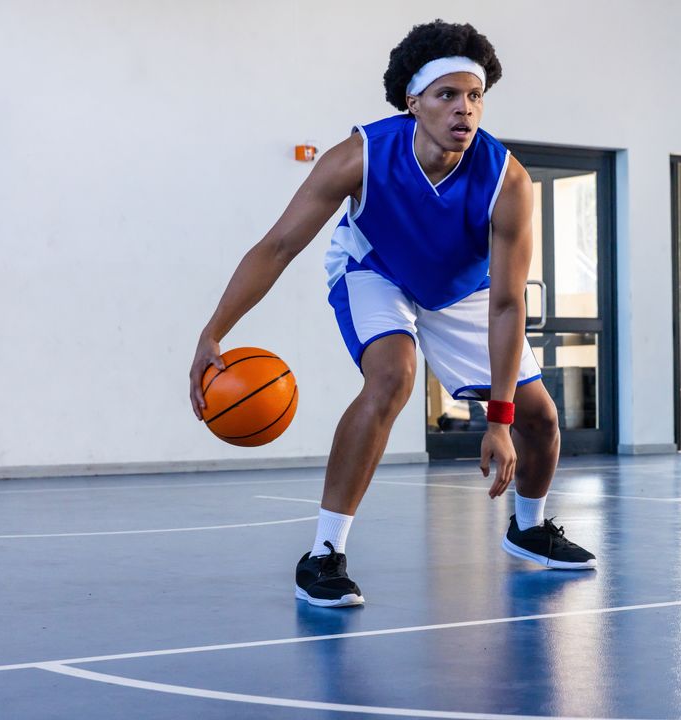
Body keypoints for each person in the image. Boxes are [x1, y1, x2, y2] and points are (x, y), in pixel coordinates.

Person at [188, 20, 596, 608]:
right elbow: (277, 246)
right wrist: (213, 332)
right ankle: (324, 553)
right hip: (375, 270)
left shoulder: (507, 180)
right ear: (414, 102)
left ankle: (528, 528)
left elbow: (507, 303)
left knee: (541, 421)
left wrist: (499, 420)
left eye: (475, 96)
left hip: (464, 290)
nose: (465, 110)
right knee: (392, 378)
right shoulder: (359, 156)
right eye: (447, 95)